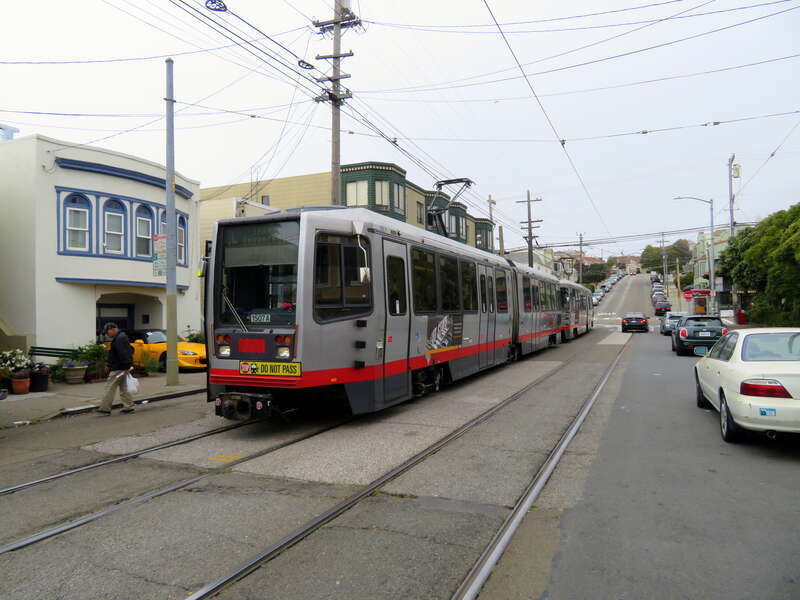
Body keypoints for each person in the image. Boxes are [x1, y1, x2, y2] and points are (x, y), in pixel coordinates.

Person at [97, 322, 135, 414]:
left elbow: (123, 354)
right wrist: (127, 367)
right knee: (124, 388)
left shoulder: (119, 339)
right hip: (123, 367)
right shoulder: (122, 337)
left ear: (113, 329)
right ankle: (128, 407)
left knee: (109, 387)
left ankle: (105, 408)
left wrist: (126, 367)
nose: (107, 334)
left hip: (118, 368)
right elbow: (130, 350)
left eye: (107, 332)